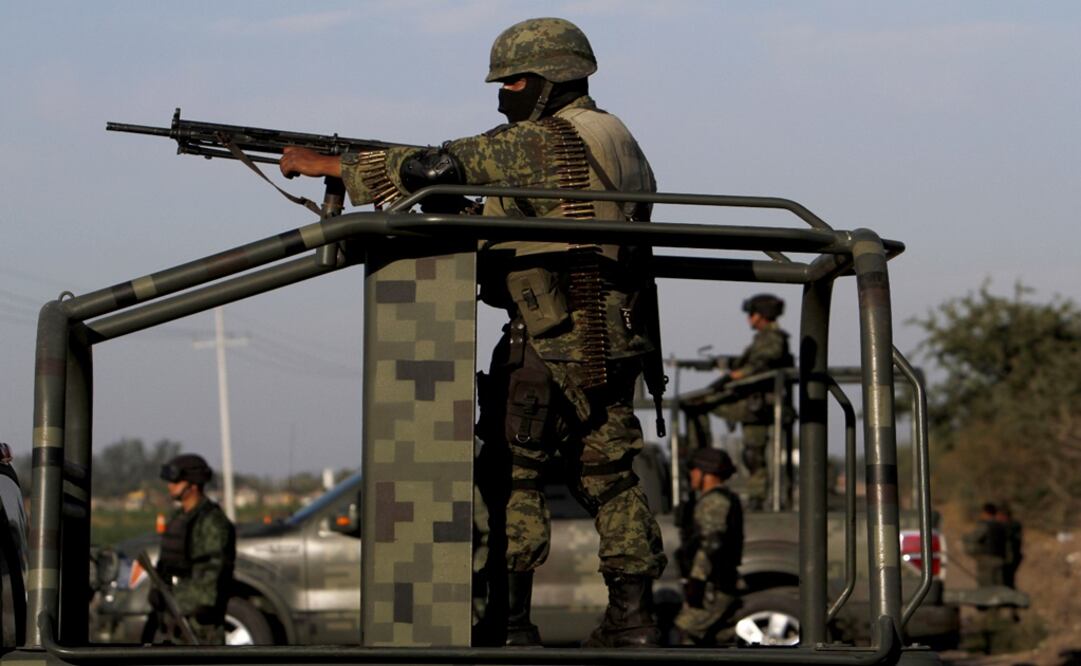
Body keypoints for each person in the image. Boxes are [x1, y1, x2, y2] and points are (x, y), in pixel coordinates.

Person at [280, 17, 666, 648]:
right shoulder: (617, 137)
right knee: (610, 475)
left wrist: (335, 165)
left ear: (548, 81)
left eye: (513, 80)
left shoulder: (544, 141)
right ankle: (635, 619)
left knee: (513, 477)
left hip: (549, 334)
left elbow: (439, 163)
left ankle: (509, 622)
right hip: (615, 334)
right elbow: (552, 214)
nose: (503, 93)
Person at [681, 294, 793, 510]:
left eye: (751, 314)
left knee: (698, 405)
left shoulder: (773, 338)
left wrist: (730, 378)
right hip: (755, 403)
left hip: (759, 404)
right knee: (753, 452)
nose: (749, 319)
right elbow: (753, 362)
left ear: (760, 316)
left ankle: (702, 461)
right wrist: (723, 363)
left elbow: (761, 365)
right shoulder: (765, 338)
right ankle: (755, 495)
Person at [148, 454, 236, 645]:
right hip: (172, 622)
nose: (170, 485)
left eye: (176, 481)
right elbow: (166, 563)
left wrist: (179, 600)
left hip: (199, 626)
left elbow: (212, 575)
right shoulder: (179, 518)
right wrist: (157, 591)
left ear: (192, 484)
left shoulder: (212, 522)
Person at [673, 448, 743, 646]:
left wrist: (697, 580)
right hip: (719, 583)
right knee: (719, 638)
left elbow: (711, 544)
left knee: (685, 630)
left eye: (694, 470)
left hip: (713, 585)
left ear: (707, 472)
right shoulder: (719, 498)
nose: (691, 475)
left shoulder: (714, 501)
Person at [962, 502, 1006, 587]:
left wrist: (965, 538)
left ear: (986, 513)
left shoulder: (985, 525)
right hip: (1000, 560)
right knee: (999, 587)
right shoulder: (1001, 525)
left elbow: (974, 538)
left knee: (985, 588)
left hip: (987, 561)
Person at [996, 503, 1023, 589]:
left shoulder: (1012, 526)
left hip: (1009, 560)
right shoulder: (1011, 525)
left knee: (1006, 582)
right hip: (1007, 559)